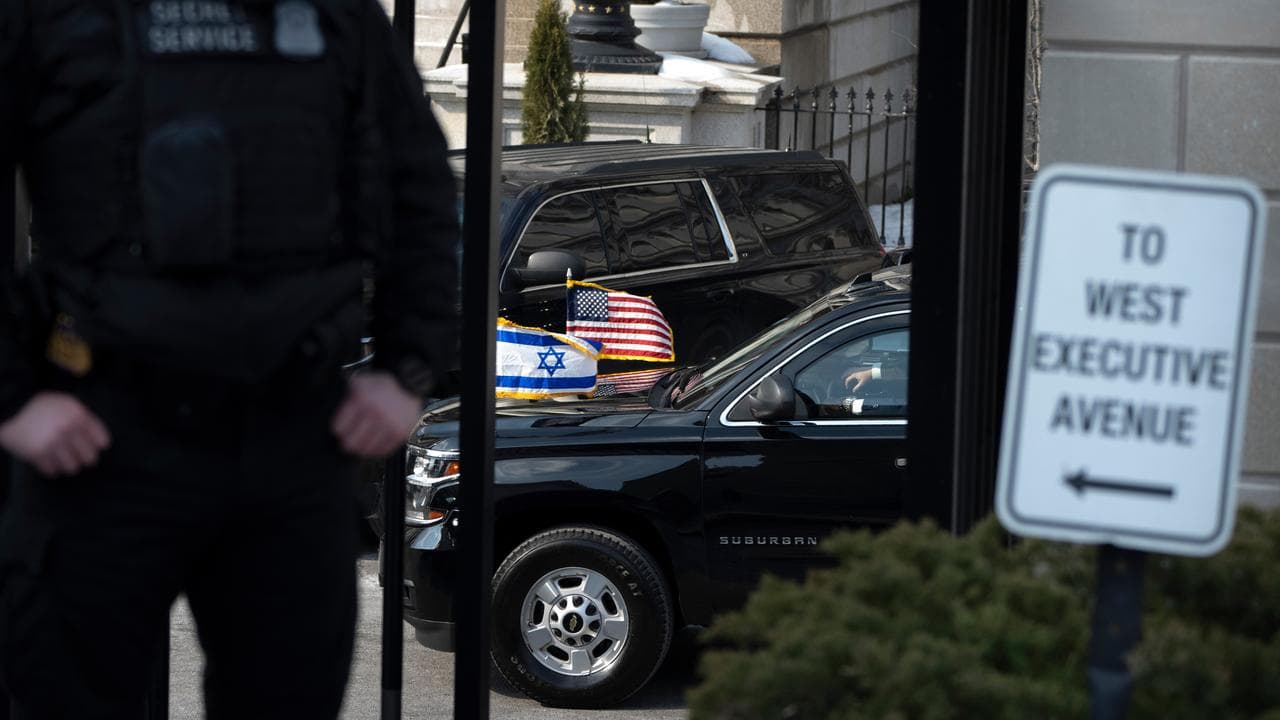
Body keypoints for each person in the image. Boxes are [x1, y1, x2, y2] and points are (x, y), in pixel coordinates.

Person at [0, 1, 459, 717]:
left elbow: (417, 179)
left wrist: (405, 370)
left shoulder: (334, 15)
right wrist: (14, 396)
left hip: (291, 432)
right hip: (100, 439)